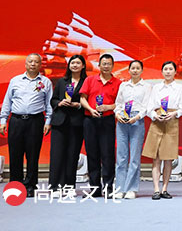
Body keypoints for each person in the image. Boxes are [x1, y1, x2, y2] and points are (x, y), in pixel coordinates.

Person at [0, 53, 53, 197]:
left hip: (36, 121)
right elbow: (7, 101)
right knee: (15, 154)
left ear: (40, 65)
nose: (33, 64)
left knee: (33, 155)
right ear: (26, 64)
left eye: (36, 62)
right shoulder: (15, 80)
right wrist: (3, 120)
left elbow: (49, 104)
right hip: (16, 121)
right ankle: (15, 186)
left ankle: (30, 186)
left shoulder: (46, 82)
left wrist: (48, 121)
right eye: (30, 61)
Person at [142, 60, 182, 200]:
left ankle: (165, 189)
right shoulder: (156, 87)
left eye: (170, 69)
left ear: (175, 72)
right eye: (165, 69)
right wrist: (155, 115)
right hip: (157, 122)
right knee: (155, 158)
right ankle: (156, 189)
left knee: (168, 158)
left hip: (172, 122)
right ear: (162, 72)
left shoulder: (179, 88)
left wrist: (174, 114)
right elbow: (149, 107)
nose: (168, 72)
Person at [80, 53, 121, 197]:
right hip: (90, 120)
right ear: (99, 65)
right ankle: (95, 188)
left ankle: (108, 187)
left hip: (107, 121)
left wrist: (108, 107)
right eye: (104, 63)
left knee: (108, 154)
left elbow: (120, 103)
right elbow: (82, 98)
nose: (106, 66)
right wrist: (91, 109)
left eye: (109, 64)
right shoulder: (90, 80)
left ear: (113, 66)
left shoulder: (118, 83)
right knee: (92, 154)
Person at [114, 59, 151, 199]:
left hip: (137, 120)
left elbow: (146, 106)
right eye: (132, 68)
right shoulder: (123, 85)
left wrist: (137, 117)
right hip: (122, 119)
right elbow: (118, 103)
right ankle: (120, 188)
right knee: (121, 156)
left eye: (137, 68)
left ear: (142, 70)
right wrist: (118, 115)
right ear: (129, 70)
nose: (135, 70)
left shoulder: (146, 86)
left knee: (134, 156)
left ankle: (131, 188)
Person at [49, 54, 87, 192]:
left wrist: (78, 105)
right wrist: (59, 103)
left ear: (83, 66)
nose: (75, 65)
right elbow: (53, 100)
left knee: (72, 155)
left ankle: (69, 186)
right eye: (72, 63)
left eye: (78, 63)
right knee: (57, 155)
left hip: (77, 123)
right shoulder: (62, 81)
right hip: (59, 122)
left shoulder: (87, 82)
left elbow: (89, 102)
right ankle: (54, 186)